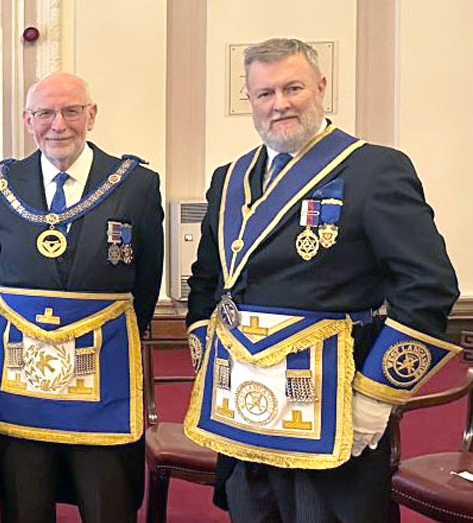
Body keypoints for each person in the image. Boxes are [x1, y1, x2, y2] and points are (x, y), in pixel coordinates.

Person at [184, 38, 460, 522]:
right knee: (252, 512)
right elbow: (208, 279)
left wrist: (375, 395)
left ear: (321, 88)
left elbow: (428, 286)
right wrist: (208, 351)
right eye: (265, 93)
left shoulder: (374, 169)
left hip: (334, 402)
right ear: (249, 99)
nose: (280, 104)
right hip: (243, 402)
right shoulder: (229, 178)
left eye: (293, 88)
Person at [0, 71, 164, 523]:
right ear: (27, 120)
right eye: (45, 113)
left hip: (102, 364)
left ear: (91, 115)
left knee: (106, 495)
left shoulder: (136, 184)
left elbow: (147, 280)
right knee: (26, 492)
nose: (58, 124)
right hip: (24, 366)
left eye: (71, 111)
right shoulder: (0, 185)